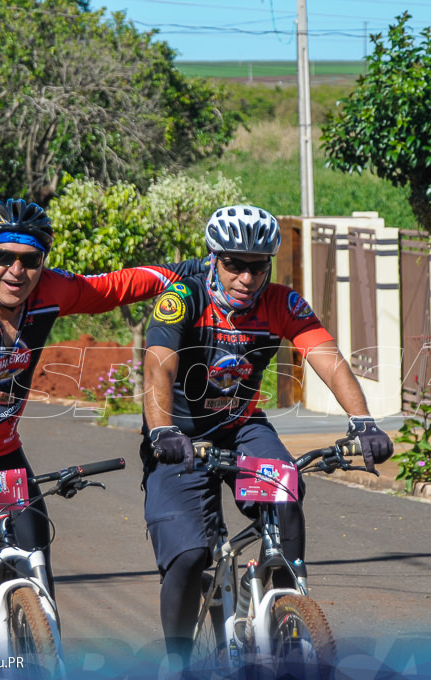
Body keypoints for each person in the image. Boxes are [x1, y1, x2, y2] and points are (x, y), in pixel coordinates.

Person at [0, 198, 207, 658]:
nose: (16, 271)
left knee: (35, 560)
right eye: (2, 257)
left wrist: (201, 266)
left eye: (29, 260)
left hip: (1, 454)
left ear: (42, 263)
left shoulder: (52, 291)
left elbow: (114, 287)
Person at [140, 205, 395, 665]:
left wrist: (363, 422)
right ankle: (176, 661)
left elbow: (328, 359)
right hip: (180, 436)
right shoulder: (182, 298)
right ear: (214, 258)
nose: (246, 277)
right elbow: (159, 366)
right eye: (234, 264)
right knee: (190, 554)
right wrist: (161, 428)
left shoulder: (282, 302)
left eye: (257, 267)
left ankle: (283, 612)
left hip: (241, 426)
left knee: (286, 493)